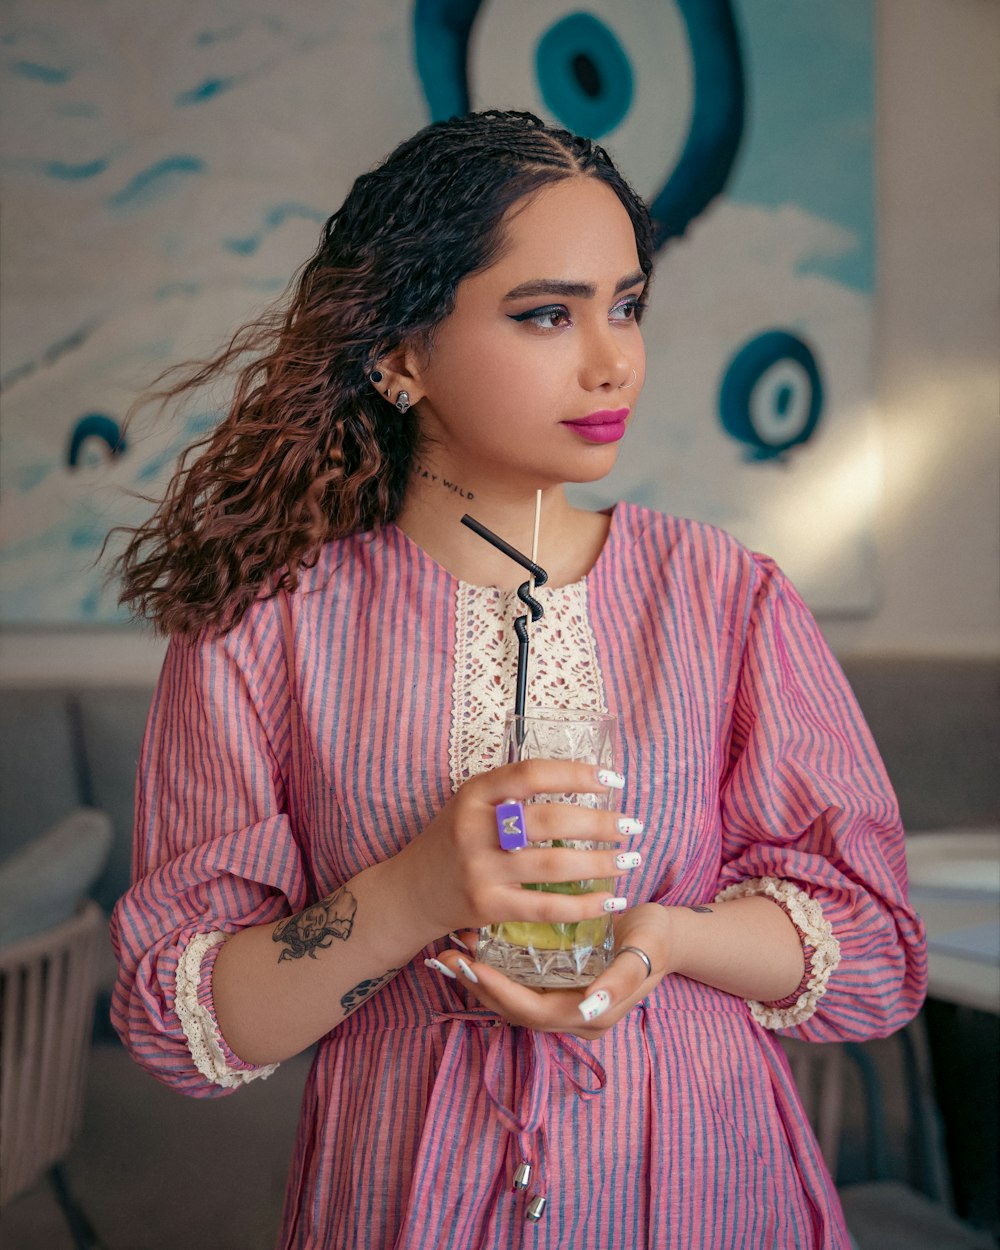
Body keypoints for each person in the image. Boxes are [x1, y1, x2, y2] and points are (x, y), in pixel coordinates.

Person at [109, 110, 927, 1250]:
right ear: (398, 349)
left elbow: (876, 951)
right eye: (548, 312)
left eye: (627, 303)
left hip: (706, 1185)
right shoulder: (263, 623)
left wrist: (668, 939)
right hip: (400, 1195)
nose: (614, 358)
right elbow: (180, 1028)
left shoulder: (725, 593)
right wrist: (412, 892)